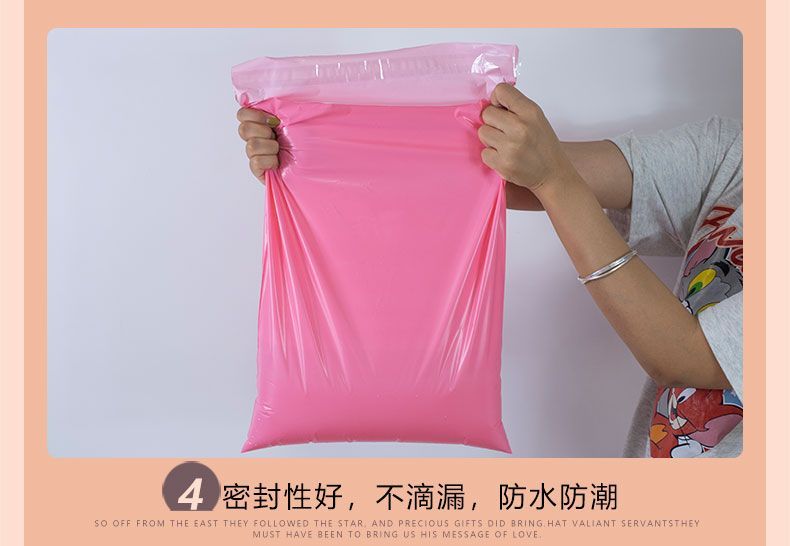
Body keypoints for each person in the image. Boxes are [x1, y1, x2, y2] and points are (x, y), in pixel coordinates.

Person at [235, 82, 743, 458]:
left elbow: (687, 358)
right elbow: (514, 169)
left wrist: (554, 180)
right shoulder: (740, 154)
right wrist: (316, 155)